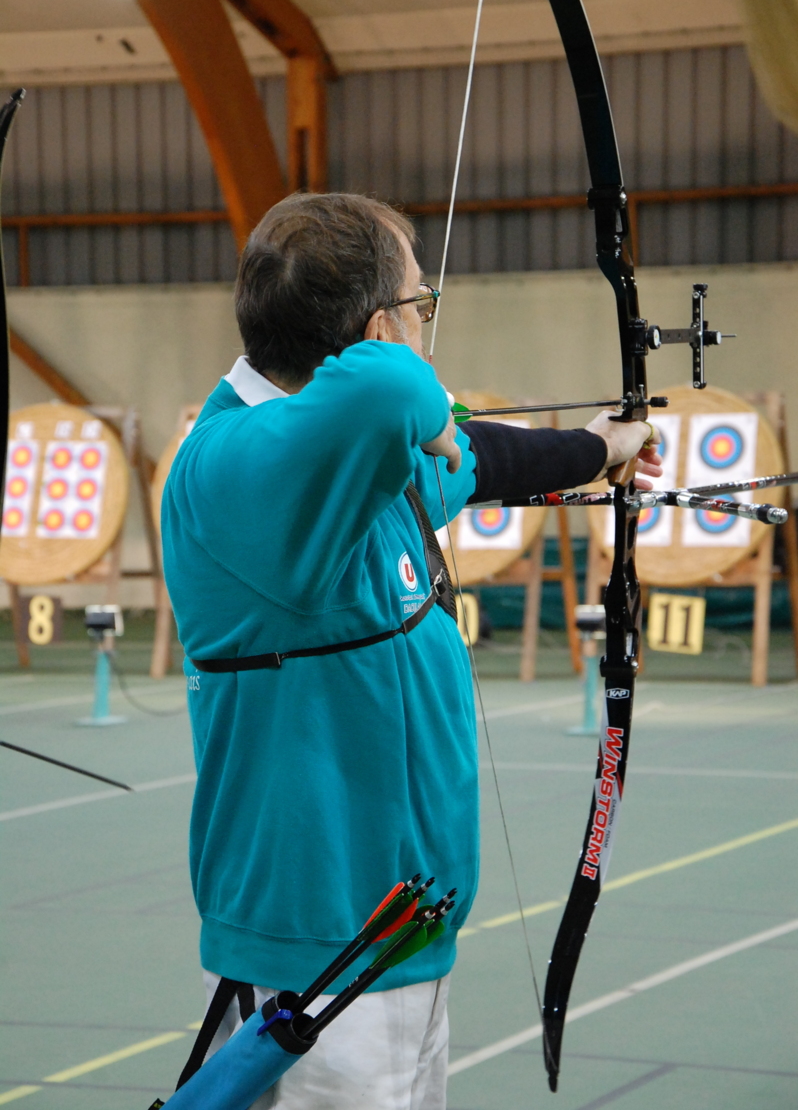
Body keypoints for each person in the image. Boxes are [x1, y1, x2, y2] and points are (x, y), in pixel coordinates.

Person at [161, 192, 661, 1110]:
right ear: (379, 327)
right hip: (318, 948)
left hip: (394, 929)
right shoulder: (235, 463)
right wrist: (413, 388)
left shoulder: (346, 458)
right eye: (420, 303)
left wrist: (597, 448)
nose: (428, 323)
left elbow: (471, 459)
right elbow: (395, 393)